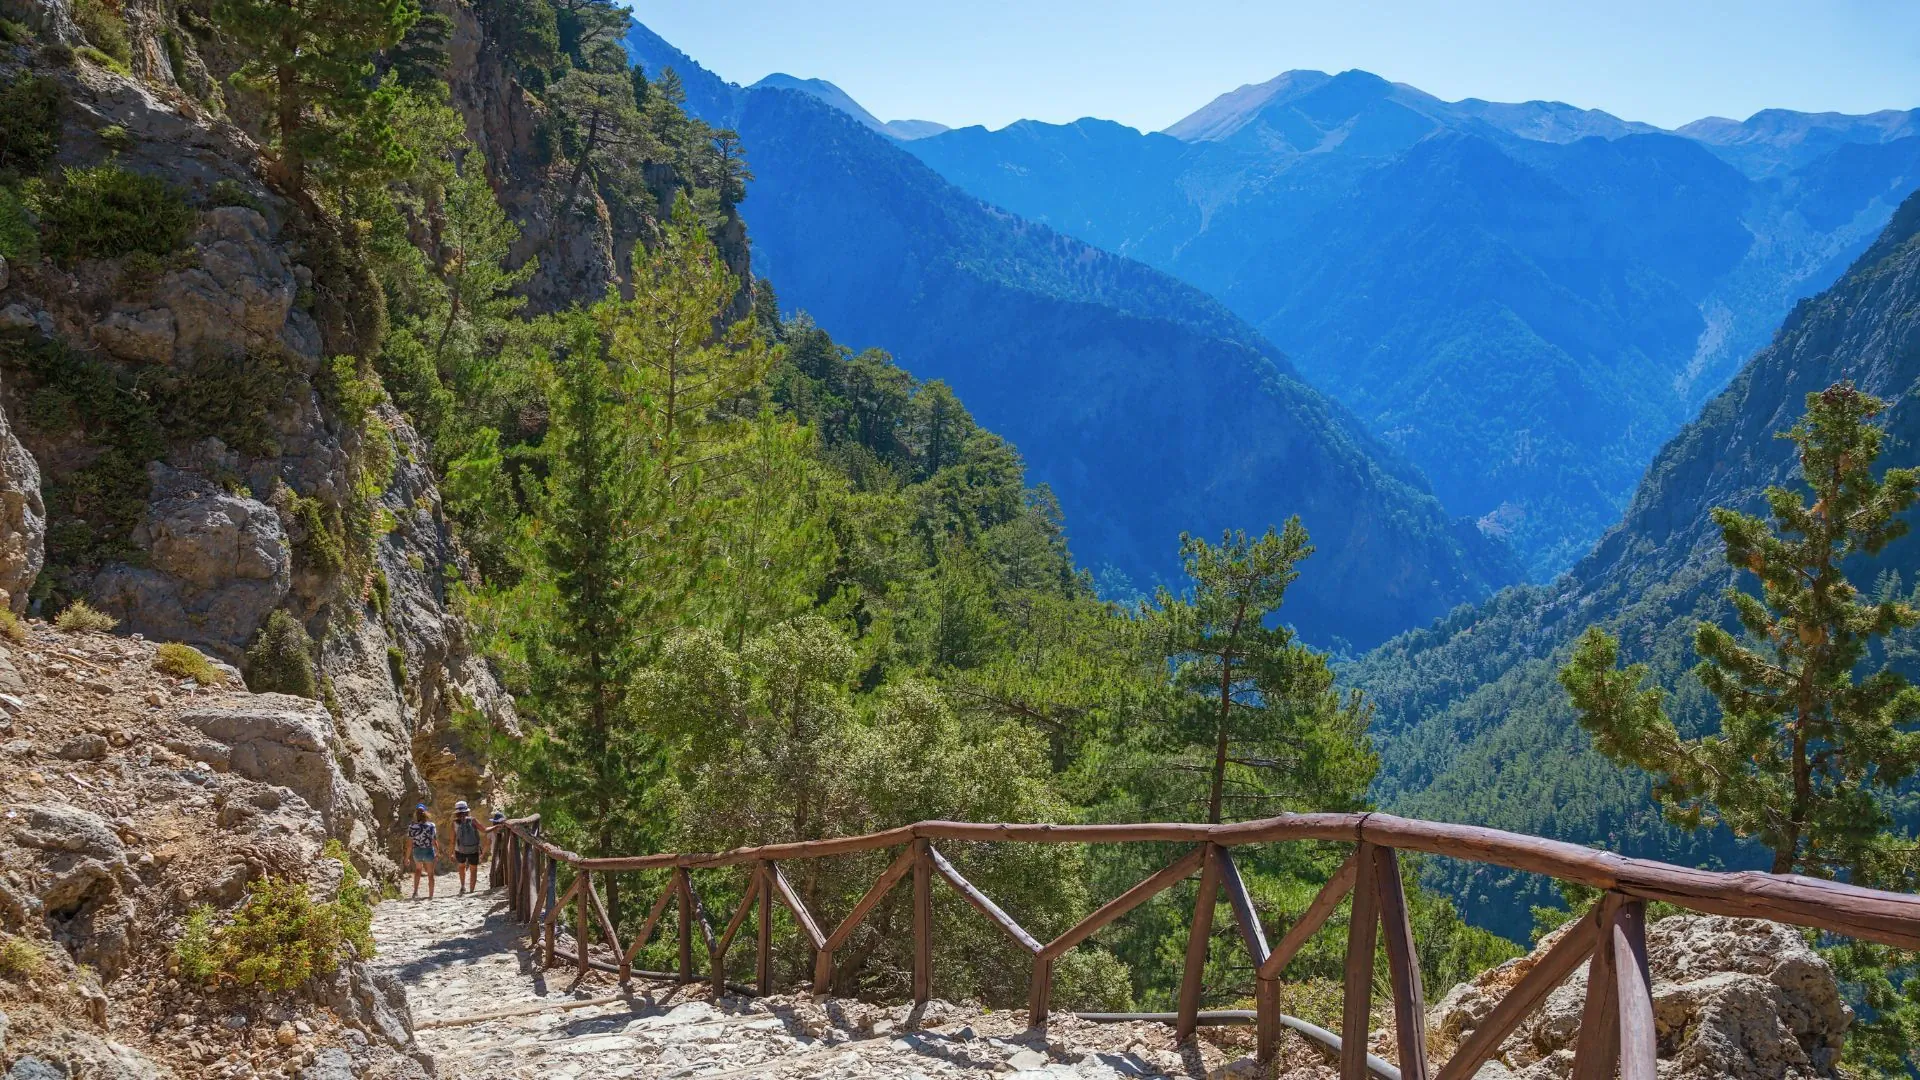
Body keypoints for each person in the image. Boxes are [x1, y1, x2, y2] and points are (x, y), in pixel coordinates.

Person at [452, 800, 484, 894]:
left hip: (459, 849)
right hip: (473, 849)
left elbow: (452, 840)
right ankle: (471, 891)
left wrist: (451, 853)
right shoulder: (473, 820)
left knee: (461, 867)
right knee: (473, 870)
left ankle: (462, 886)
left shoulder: (454, 823)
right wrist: (496, 826)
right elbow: (484, 830)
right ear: (467, 811)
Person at [407, 804, 438, 900]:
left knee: (418, 870)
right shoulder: (431, 826)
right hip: (428, 850)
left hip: (417, 851)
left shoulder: (412, 826)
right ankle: (431, 895)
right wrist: (437, 851)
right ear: (426, 813)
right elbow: (434, 841)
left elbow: (409, 845)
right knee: (430, 873)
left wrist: (406, 857)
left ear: (416, 814)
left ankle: (415, 892)